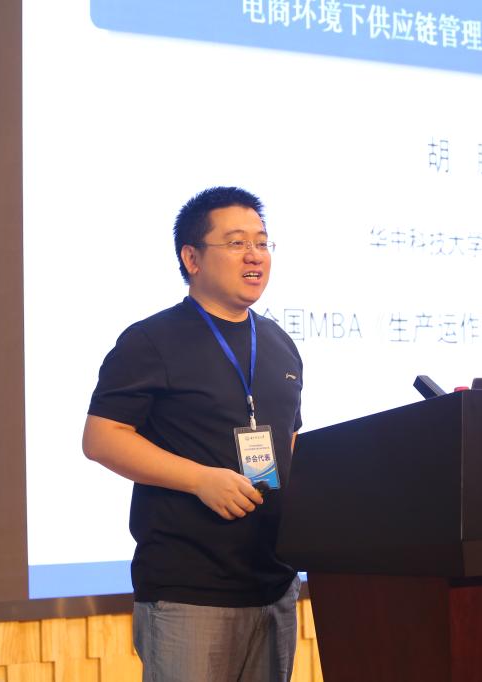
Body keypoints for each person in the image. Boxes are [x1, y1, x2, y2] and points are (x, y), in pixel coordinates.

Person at [82, 186, 303, 681]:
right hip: (189, 590)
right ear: (192, 257)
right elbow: (102, 437)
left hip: (275, 584)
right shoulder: (151, 340)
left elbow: (288, 443)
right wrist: (200, 479)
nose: (254, 255)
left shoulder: (278, 342)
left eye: (262, 242)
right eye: (237, 242)